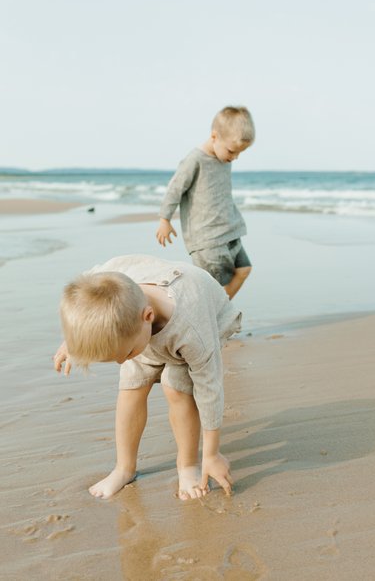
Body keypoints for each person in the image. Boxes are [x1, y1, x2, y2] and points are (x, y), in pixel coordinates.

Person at [52, 254, 242, 501]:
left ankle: (187, 465)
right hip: (142, 332)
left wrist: (212, 454)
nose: (122, 361)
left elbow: (210, 389)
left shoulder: (193, 330)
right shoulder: (113, 290)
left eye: (126, 353)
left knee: (175, 387)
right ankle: (124, 468)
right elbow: (84, 298)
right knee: (130, 387)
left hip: (206, 318)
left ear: (148, 317)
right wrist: (76, 339)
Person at [156, 105, 255, 299]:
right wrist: (164, 219)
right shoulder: (195, 160)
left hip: (230, 231)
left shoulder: (224, 158)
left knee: (244, 270)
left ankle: (219, 312)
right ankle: (212, 318)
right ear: (214, 136)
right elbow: (174, 189)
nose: (234, 157)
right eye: (232, 151)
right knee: (211, 288)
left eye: (239, 154)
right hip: (207, 240)